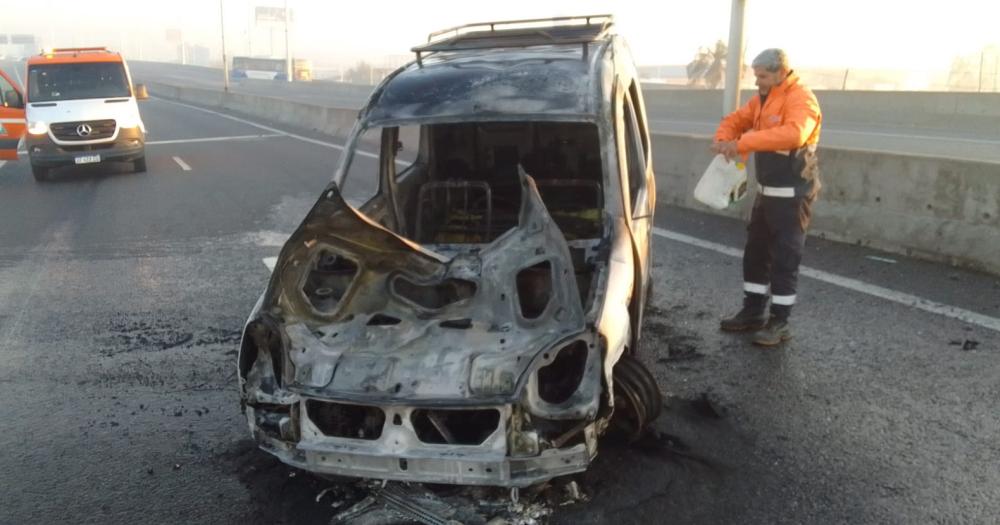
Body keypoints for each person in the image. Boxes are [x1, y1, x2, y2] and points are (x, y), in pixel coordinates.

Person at [711, 48, 822, 346]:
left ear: (780, 72)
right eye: (756, 75)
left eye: (762, 75)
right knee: (756, 254)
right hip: (767, 195)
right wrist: (724, 139)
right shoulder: (763, 98)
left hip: (793, 197)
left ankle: (780, 322)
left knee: (785, 259)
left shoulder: (800, 97)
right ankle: (752, 311)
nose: (757, 80)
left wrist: (743, 142)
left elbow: (795, 134)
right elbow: (737, 119)